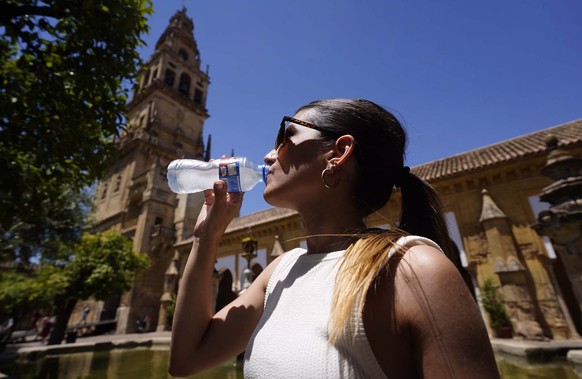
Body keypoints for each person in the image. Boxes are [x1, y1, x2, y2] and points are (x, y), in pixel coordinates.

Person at [169, 99, 500, 378]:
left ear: (338, 153)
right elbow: (187, 359)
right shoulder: (280, 272)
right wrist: (205, 238)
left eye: (285, 137)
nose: (269, 155)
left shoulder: (412, 269)